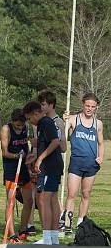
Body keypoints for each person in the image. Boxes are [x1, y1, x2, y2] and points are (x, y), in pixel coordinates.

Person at [24, 100, 63, 245]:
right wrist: (35, 155)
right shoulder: (43, 124)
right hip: (52, 165)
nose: (29, 121)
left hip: (49, 167)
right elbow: (46, 145)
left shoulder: (45, 122)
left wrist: (40, 158)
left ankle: (47, 237)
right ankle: (53, 237)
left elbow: (55, 142)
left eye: (29, 118)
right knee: (51, 199)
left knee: (43, 200)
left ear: (36, 113)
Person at [64, 93, 104, 229]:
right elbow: (63, 129)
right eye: (87, 105)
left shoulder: (98, 124)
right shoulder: (74, 120)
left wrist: (101, 157)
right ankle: (67, 224)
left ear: (96, 107)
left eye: (92, 106)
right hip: (76, 163)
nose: (89, 109)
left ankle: (81, 224)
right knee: (71, 194)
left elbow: (101, 143)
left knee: (86, 194)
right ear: (83, 104)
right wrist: (65, 120)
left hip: (91, 164)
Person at [37, 90, 68, 231]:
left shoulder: (57, 122)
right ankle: (52, 234)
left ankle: (50, 233)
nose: (41, 107)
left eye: (43, 104)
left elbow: (62, 147)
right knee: (50, 199)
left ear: (51, 105)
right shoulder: (42, 121)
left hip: (51, 165)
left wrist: (54, 139)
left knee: (47, 199)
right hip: (45, 164)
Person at [0, 108, 33, 243]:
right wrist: (16, 156)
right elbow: (4, 152)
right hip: (11, 168)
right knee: (11, 202)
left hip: (24, 167)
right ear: (13, 121)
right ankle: (12, 234)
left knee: (29, 200)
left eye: (21, 124)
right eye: (17, 125)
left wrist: (29, 157)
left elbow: (27, 146)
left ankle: (23, 230)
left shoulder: (26, 127)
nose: (19, 127)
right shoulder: (6, 129)